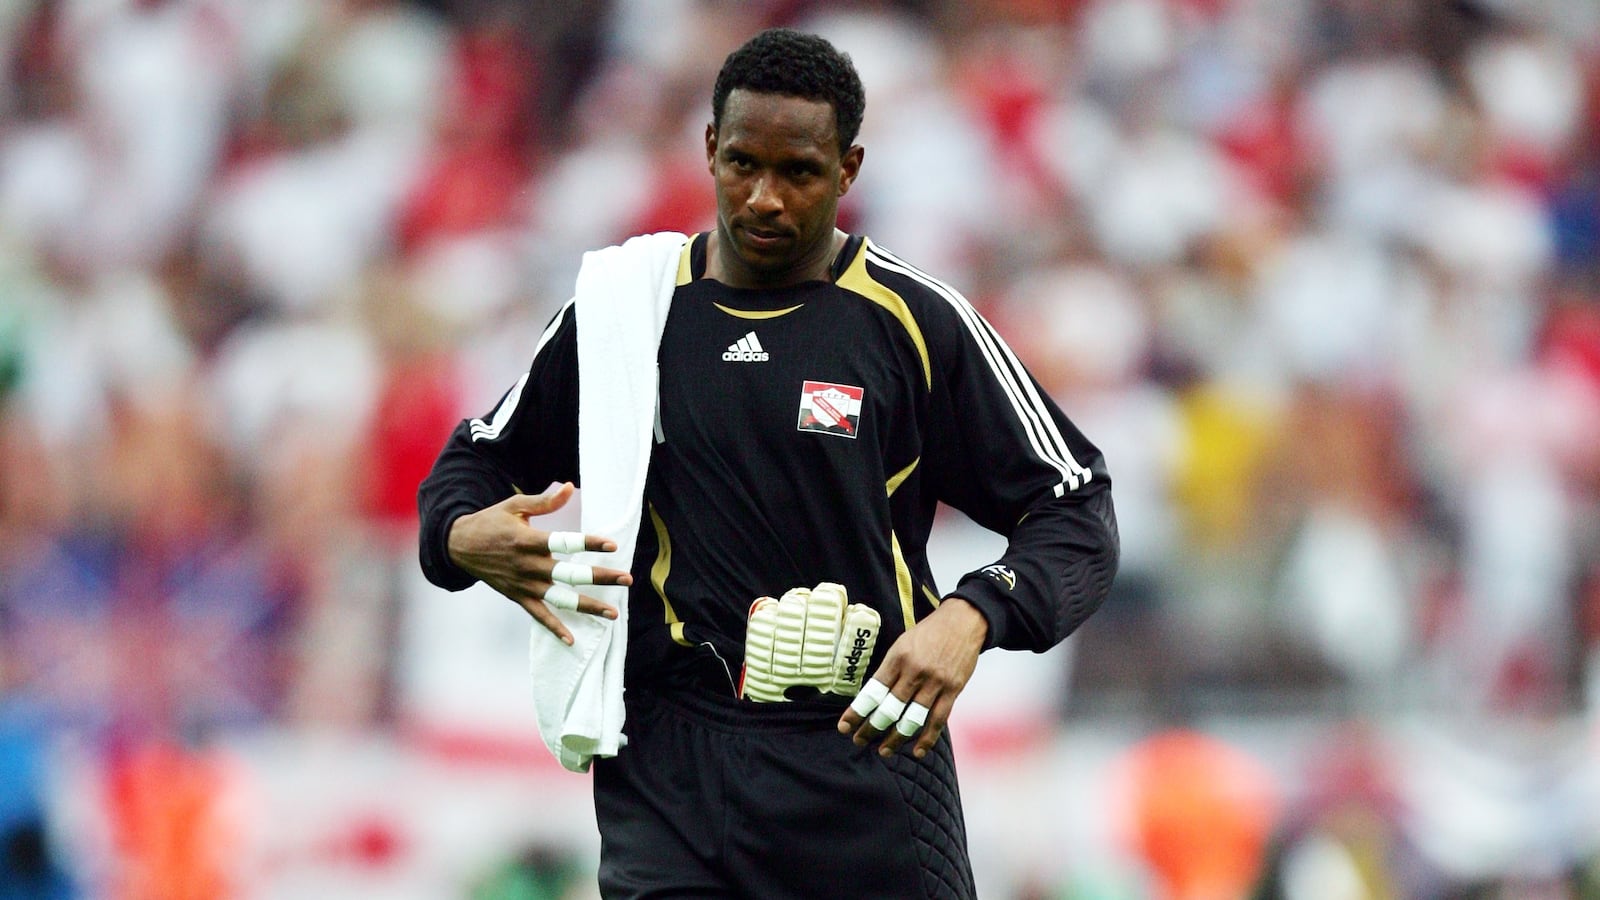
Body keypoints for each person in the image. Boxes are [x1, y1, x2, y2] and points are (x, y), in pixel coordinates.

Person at [417, 27, 1119, 900]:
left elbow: (1075, 503)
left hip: (865, 759)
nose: (765, 199)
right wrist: (455, 536)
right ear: (710, 148)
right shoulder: (627, 312)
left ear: (849, 170)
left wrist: (972, 617)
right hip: (673, 773)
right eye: (743, 163)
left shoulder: (911, 322)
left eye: (800, 173)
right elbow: (476, 463)